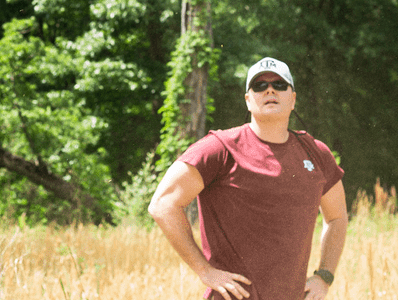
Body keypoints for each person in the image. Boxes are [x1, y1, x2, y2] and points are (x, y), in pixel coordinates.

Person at [149, 57, 348, 300]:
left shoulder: (316, 153)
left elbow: (337, 217)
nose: (270, 90)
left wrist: (324, 276)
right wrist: (205, 271)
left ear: (293, 98)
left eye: (279, 84)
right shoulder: (219, 149)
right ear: (248, 99)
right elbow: (162, 204)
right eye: (259, 86)